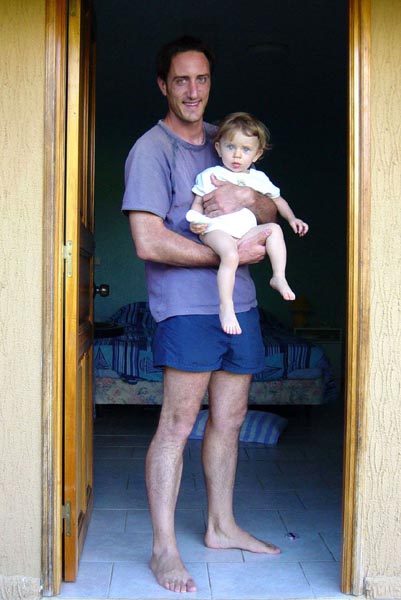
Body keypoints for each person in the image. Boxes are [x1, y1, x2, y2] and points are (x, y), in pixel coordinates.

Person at [122, 35, 281, 594]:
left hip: (240, 304)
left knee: (231, 419)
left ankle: (221, 525)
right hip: (186, 308)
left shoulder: (227, 140)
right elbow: (148, 240)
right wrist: (227, 254)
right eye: (181, 80)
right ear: (163, 85)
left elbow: (269, 203)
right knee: (177, 423)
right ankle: (164, 549)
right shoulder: (151, 150)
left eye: (202, 79)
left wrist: (246, 201)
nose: (193, 91)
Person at [186, 111, 309, 335]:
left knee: (274, 229)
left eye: (245, 149)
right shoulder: (210, 174)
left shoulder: (258, 179)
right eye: (230, 147)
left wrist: (292, 218)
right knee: (230, 255)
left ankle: (278, 276)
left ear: (257, 154)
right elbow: (197, 204)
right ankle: (226, 306)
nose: (237, 155)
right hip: (216, 230)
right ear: (218, 148)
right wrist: (196, 221)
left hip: (244, 233)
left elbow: (278, 200)